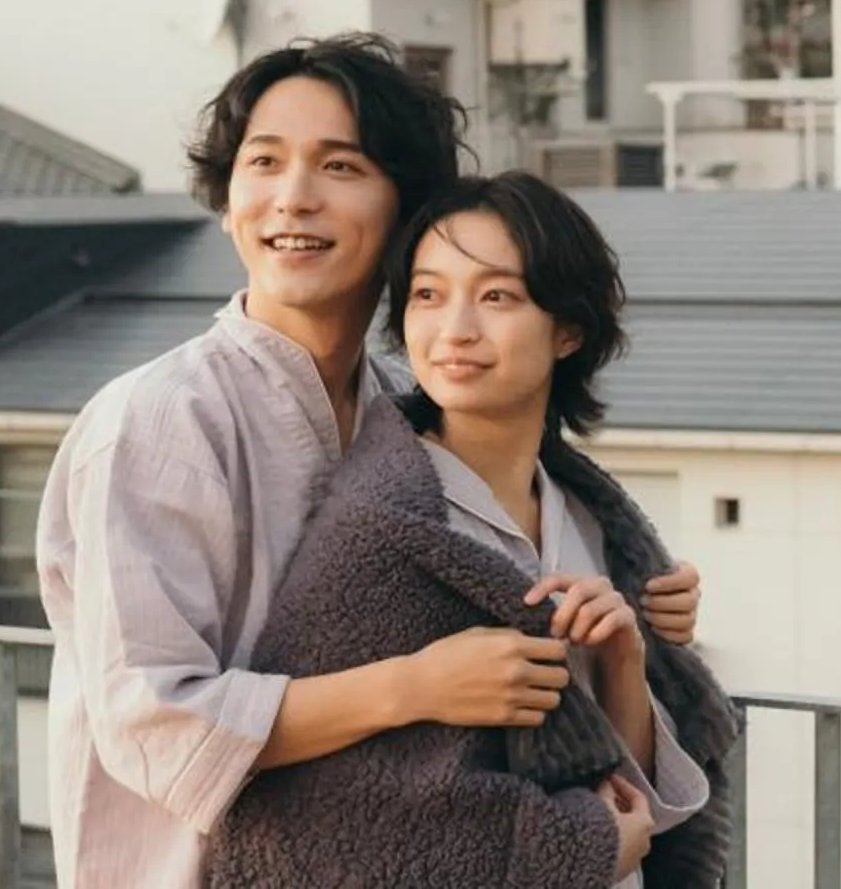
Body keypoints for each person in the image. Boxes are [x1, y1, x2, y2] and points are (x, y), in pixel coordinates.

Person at [37, 36, 705, 886]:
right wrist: (413, 686)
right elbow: (152, 722)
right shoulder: (160, 420)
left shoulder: (404, 401)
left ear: (405, 204)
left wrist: (637, 609)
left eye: (340, 167)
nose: (292, 199)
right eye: (264, 162)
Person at [206, 174, 736, 887]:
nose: (454, 329)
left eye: (496, 297)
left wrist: (623, 660)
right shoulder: (381, 531)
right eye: (428, 294)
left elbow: (645, 802)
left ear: (568, 329)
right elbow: (326, 817)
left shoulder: (589, 515)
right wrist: (572, 844)